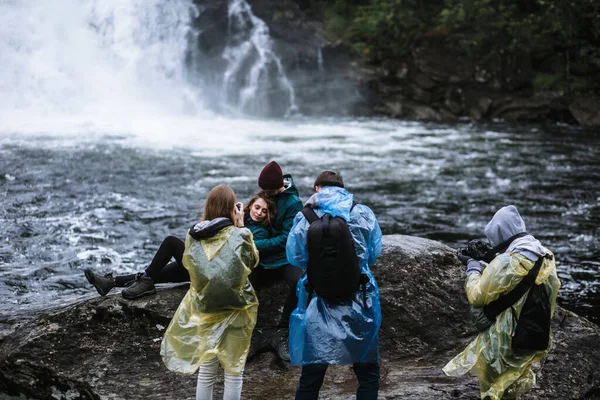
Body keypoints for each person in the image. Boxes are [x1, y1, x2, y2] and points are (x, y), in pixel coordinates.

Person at [443, 205, 561, 400]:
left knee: (492, 390)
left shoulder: (508, 262)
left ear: (500, 235)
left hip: (505, 338)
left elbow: (476, 295)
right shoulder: (545, 255)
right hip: (535, 333)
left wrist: (473, 267)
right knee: (509, 388)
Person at [285, 171, 383, 400]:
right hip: (360, 300)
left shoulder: (304, 216)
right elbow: (373, 253)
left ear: (317, 188)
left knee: (311, 374)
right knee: (368, 372)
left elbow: (295, 257)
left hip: (318, 301)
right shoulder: (361, 213)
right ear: (343, 188)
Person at [160, 184, 259, 400]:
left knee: (206, 373)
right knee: (233, 372)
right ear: (232, 208)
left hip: (205, 308)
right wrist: (241, 226)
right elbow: (252, 262)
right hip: (238, 307)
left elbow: (188, 263)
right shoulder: (240, 234)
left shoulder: (192, 234)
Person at [83, 191, 276, 300]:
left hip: (214, 275)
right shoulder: (237, 219)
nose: (259, 213)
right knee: (157, 272)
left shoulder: (258, 231)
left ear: (268, 216)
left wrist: (239, 223)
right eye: (257, 207)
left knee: (171, 242)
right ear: (250, 205)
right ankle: (111, 283)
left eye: (264, 211)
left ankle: (140, 282)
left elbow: (243, 249)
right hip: (208, 268)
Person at [247, 160, 303, 362]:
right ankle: (253, 334)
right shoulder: (270, 193)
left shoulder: (293, 203)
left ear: (276, 187)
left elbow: (287, 238)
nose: (263, 192)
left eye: (266, 189)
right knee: (241, 284)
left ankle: (282, 332)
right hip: (261, 258)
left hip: (283, 258)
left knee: (300, 283)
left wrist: (255, 244)